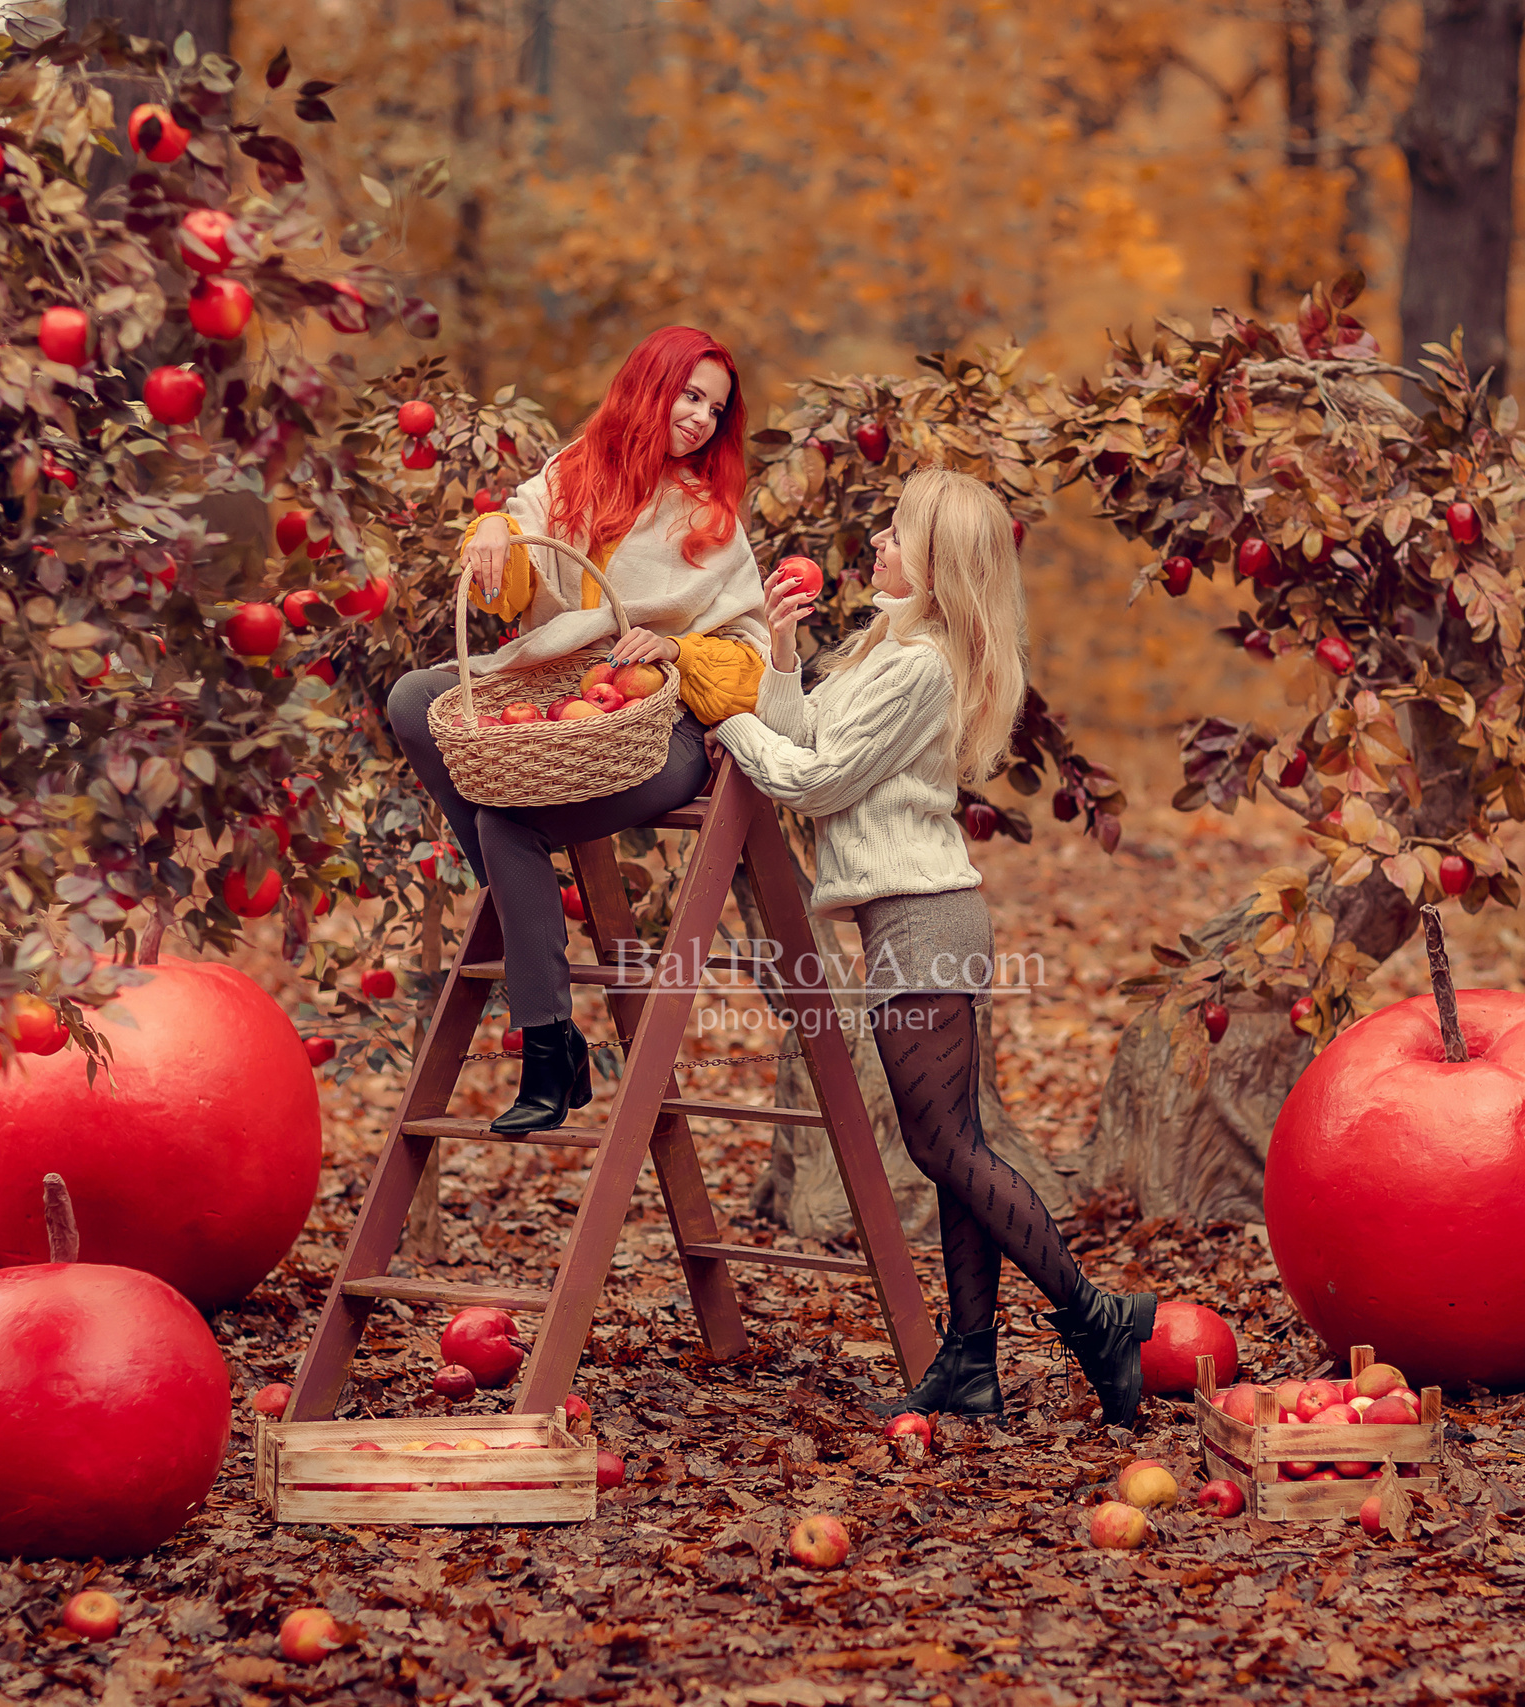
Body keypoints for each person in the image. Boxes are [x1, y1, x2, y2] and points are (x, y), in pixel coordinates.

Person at [709, 469, 1157, 1426]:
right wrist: (779, 660)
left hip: (925, 917)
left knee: (942, 1145)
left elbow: (816, 782)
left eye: (898, 532)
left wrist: (727, 717)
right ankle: (969, 1362)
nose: (877, 540)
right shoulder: (887, 645)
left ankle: (1096, 1314)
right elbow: (811, 741)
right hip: (913, 915)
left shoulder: (922, 663)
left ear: (939, 562)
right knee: (956, 1147)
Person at [387, 327, 773, 1135]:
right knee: (413, 700)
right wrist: (490, 526)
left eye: (715, 408)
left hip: (658, 729)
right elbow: (507, 576)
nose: (701, 419)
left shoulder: (712, 517)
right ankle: (553, 1019)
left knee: (504, 818)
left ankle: (544, 1043)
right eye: (689, 395)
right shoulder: (572, 475)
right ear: (647, 385)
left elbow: (752, 657)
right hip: (559, 701)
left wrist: (673, 644)